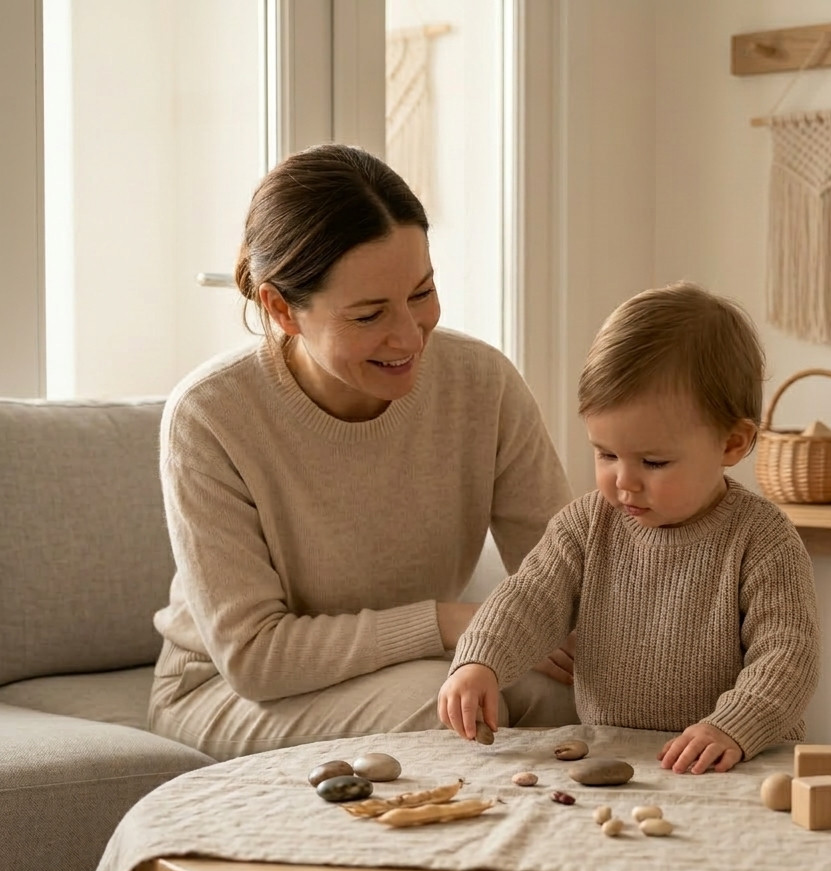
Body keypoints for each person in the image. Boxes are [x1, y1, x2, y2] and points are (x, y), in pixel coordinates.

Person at [148, 143, 578, 761]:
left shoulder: (482, 382)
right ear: (280, 308)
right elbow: (254, 657)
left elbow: (562, 571)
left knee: (578, 696)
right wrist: (453, 622)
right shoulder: (211, 415)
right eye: (369, 314)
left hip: (415, 665)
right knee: (443, 711)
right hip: (225, 690)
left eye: (422, 293)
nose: (408, 336)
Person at [438, 281, 821, 775]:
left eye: (654, 462)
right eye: (606, 454)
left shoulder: (762, 540)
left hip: (737, 760)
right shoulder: (585, 525)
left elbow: (788, 655)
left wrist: (733, 726)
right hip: (617, 754)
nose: (623, 482)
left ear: (731, 444)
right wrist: (479, 661)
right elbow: (528, 599)